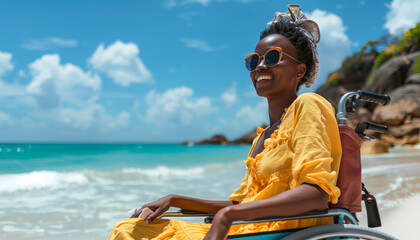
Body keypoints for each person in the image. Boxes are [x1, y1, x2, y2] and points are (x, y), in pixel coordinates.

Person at [108, 4, 341, 240]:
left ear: (300, 70)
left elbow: (316, 194)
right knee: (129, 228)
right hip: (248, 229)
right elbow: (241, 202)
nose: (261, 66)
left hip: (286, 232)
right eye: (254, 61)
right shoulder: (263, 136)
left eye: (272, 58)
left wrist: (228, 215)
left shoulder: (309, 105)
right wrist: (175, 199)